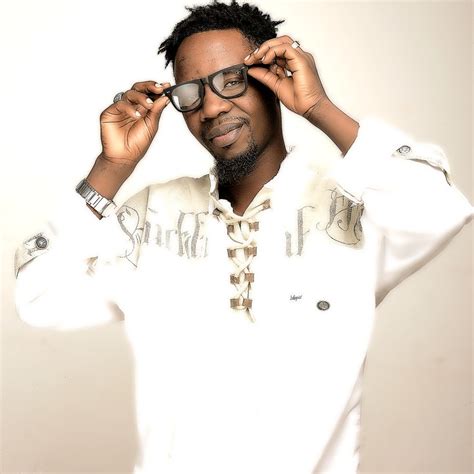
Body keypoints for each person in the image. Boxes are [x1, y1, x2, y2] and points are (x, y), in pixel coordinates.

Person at [13, 0, 473, 473]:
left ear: (273, 75)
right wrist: (112, 167)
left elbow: (442, 208)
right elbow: (39, 299)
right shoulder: (152, 217)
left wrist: (318, 107)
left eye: (231, 80)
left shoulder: (350, 207)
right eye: (191, 93)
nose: (212, 107)